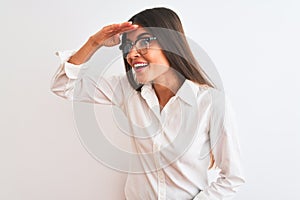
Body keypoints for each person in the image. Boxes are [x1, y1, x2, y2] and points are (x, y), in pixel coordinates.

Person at [51, 7, 245, 200]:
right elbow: (63, 85)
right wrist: (95, 42)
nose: (132, 54)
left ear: (170, 44)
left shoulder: (212, 103)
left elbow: (232, 178)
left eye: (144, 41)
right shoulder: (126, 90)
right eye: (128, 46)